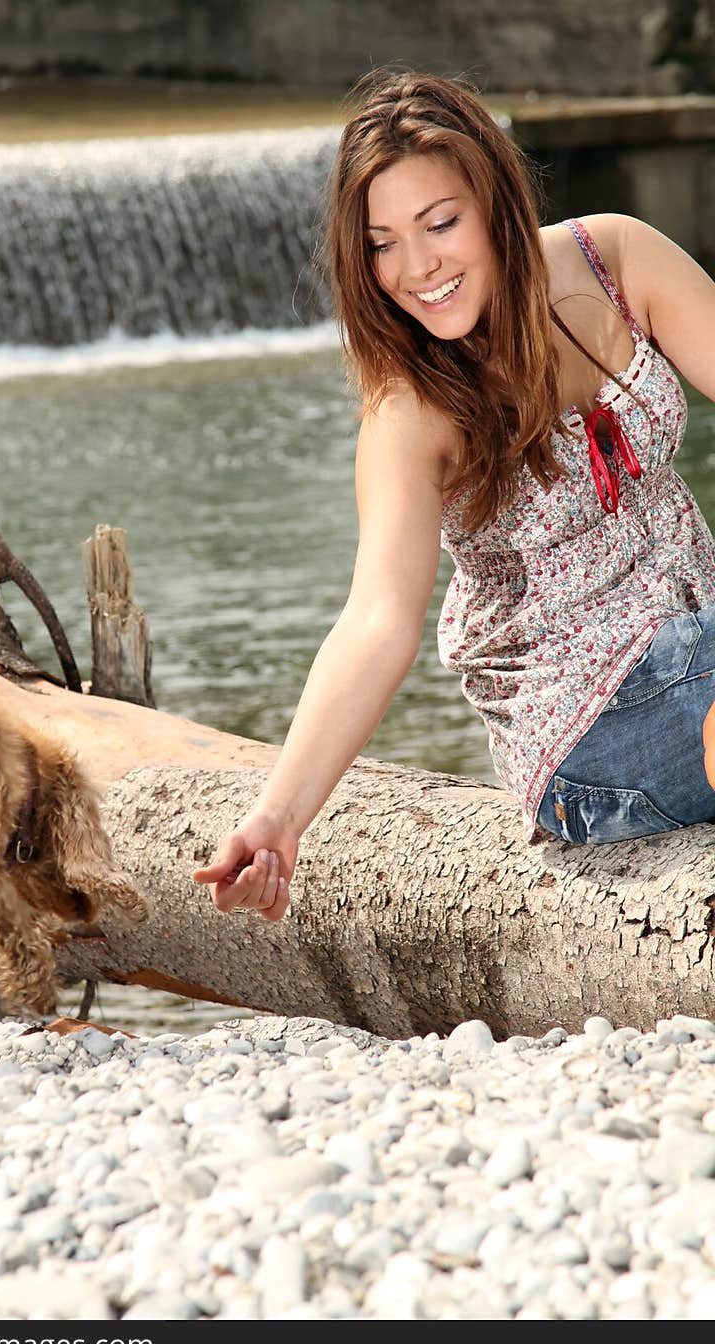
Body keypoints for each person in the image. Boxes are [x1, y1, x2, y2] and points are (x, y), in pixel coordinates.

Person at [192, 69, 715, 922]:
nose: (419, 267)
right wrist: (278, 817)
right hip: (588, 725)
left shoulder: (611, 259)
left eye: (440, 223)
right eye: (383, 242)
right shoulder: (410, 415)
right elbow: (376, 622)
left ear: (496, 204)